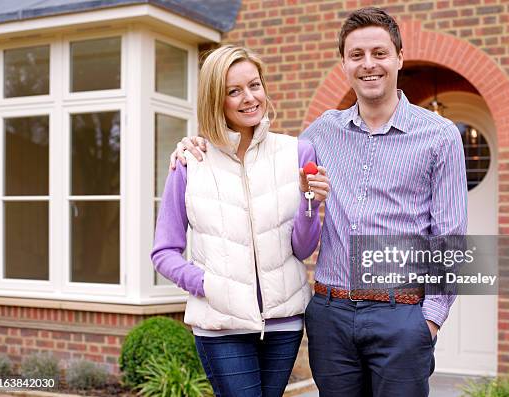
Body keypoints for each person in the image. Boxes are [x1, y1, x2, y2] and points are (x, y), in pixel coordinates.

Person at [170, 7, 467, 397]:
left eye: (379, 53)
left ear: (398, 57)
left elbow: (451, 241)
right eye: (356, 55)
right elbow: (261, 156)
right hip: (331, 317)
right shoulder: (321, 134)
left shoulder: (440, 136)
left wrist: (429, 320)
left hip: (402, 316)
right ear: (344, 63)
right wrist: (199, 143)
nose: (368, 65)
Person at [152, 45, 330, 397]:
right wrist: (209, 285)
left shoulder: (296, 152)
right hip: (220, 326)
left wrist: (311, 202)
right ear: (215, 99)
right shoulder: (191, 161)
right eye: (234, 91)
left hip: (284, 325)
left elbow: (303, 247)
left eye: (255, 85)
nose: (249, 98)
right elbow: (164, 252)